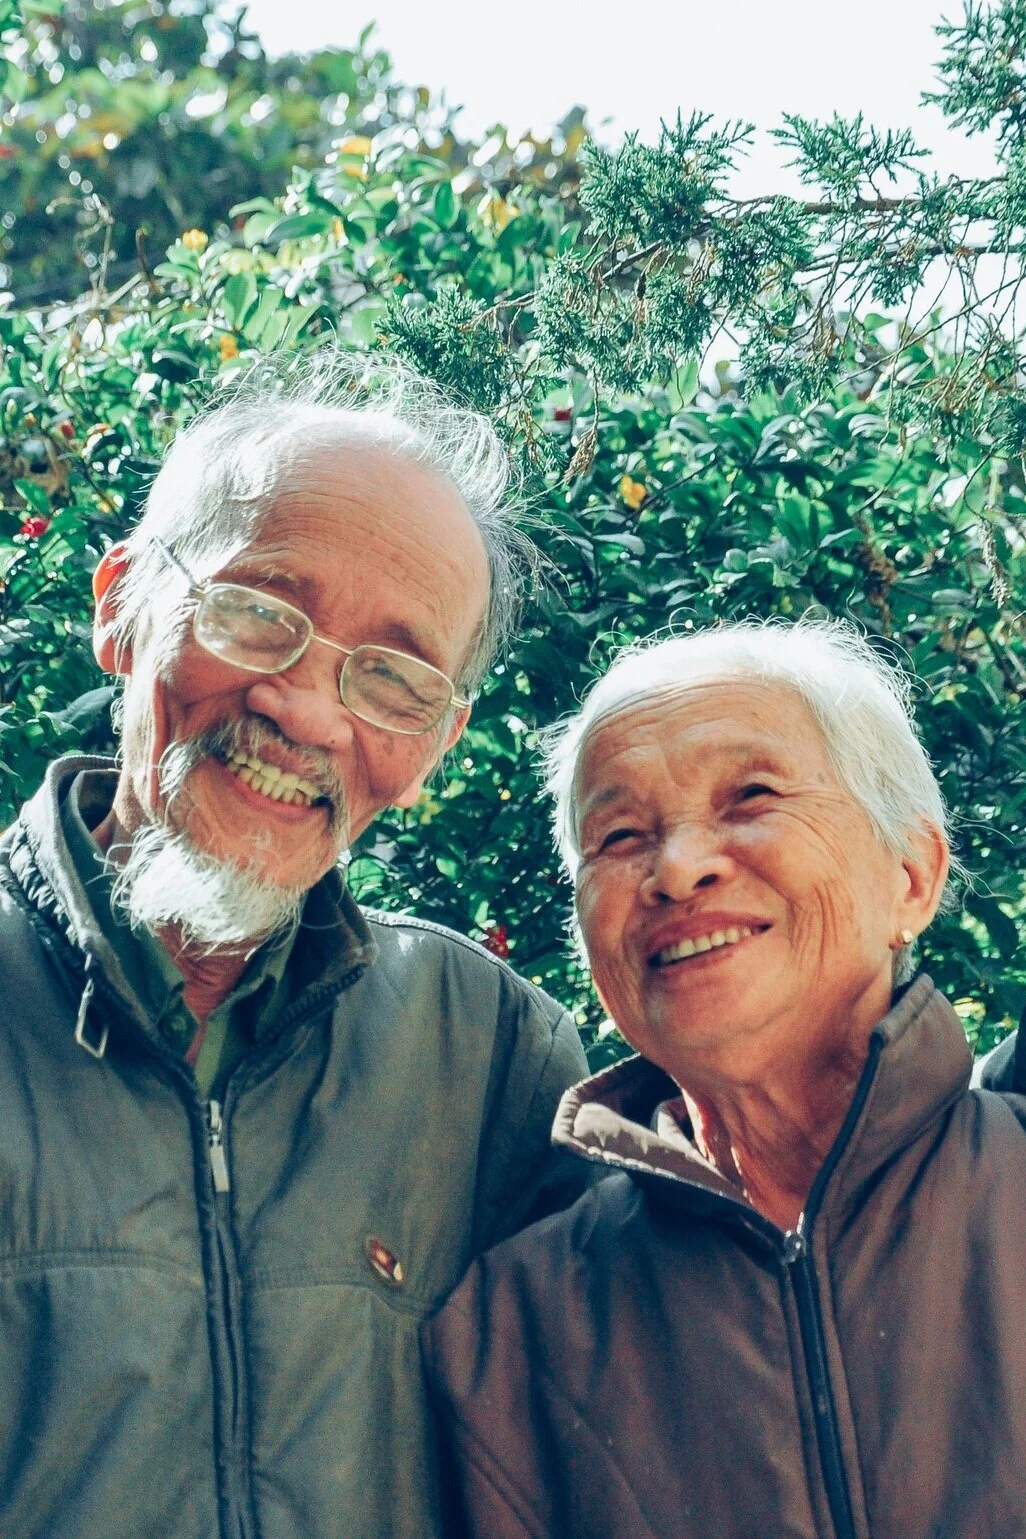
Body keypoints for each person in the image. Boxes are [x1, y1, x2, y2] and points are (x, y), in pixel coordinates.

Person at [0, 353, 589, 1539]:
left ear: (435, 743)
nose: (310, 710)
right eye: (259, 613)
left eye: (393, 678)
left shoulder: (491, 1060)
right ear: (121, 608)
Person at [423, 620, 1026, 1539]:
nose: (676, 867)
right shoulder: (511, 1335)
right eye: (619, 834)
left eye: (751, 796)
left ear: (911, 877)